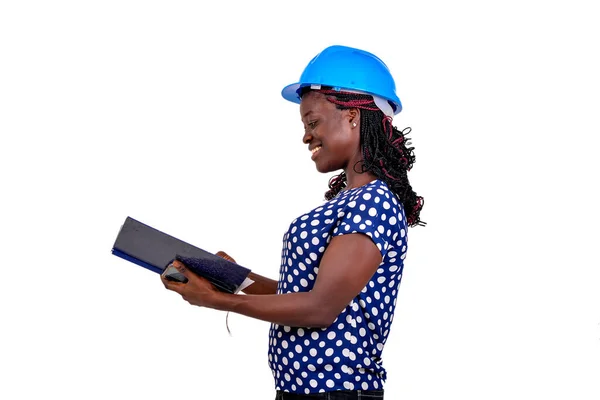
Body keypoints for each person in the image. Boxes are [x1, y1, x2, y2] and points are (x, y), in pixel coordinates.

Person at [161, 44, 425, 399]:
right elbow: (305, 294)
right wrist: (237, 280)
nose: (306, 135)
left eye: (313, 122)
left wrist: (217, 301)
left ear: (352, 116)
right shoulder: (351, 202)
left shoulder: (374, 203)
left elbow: (320, 308)